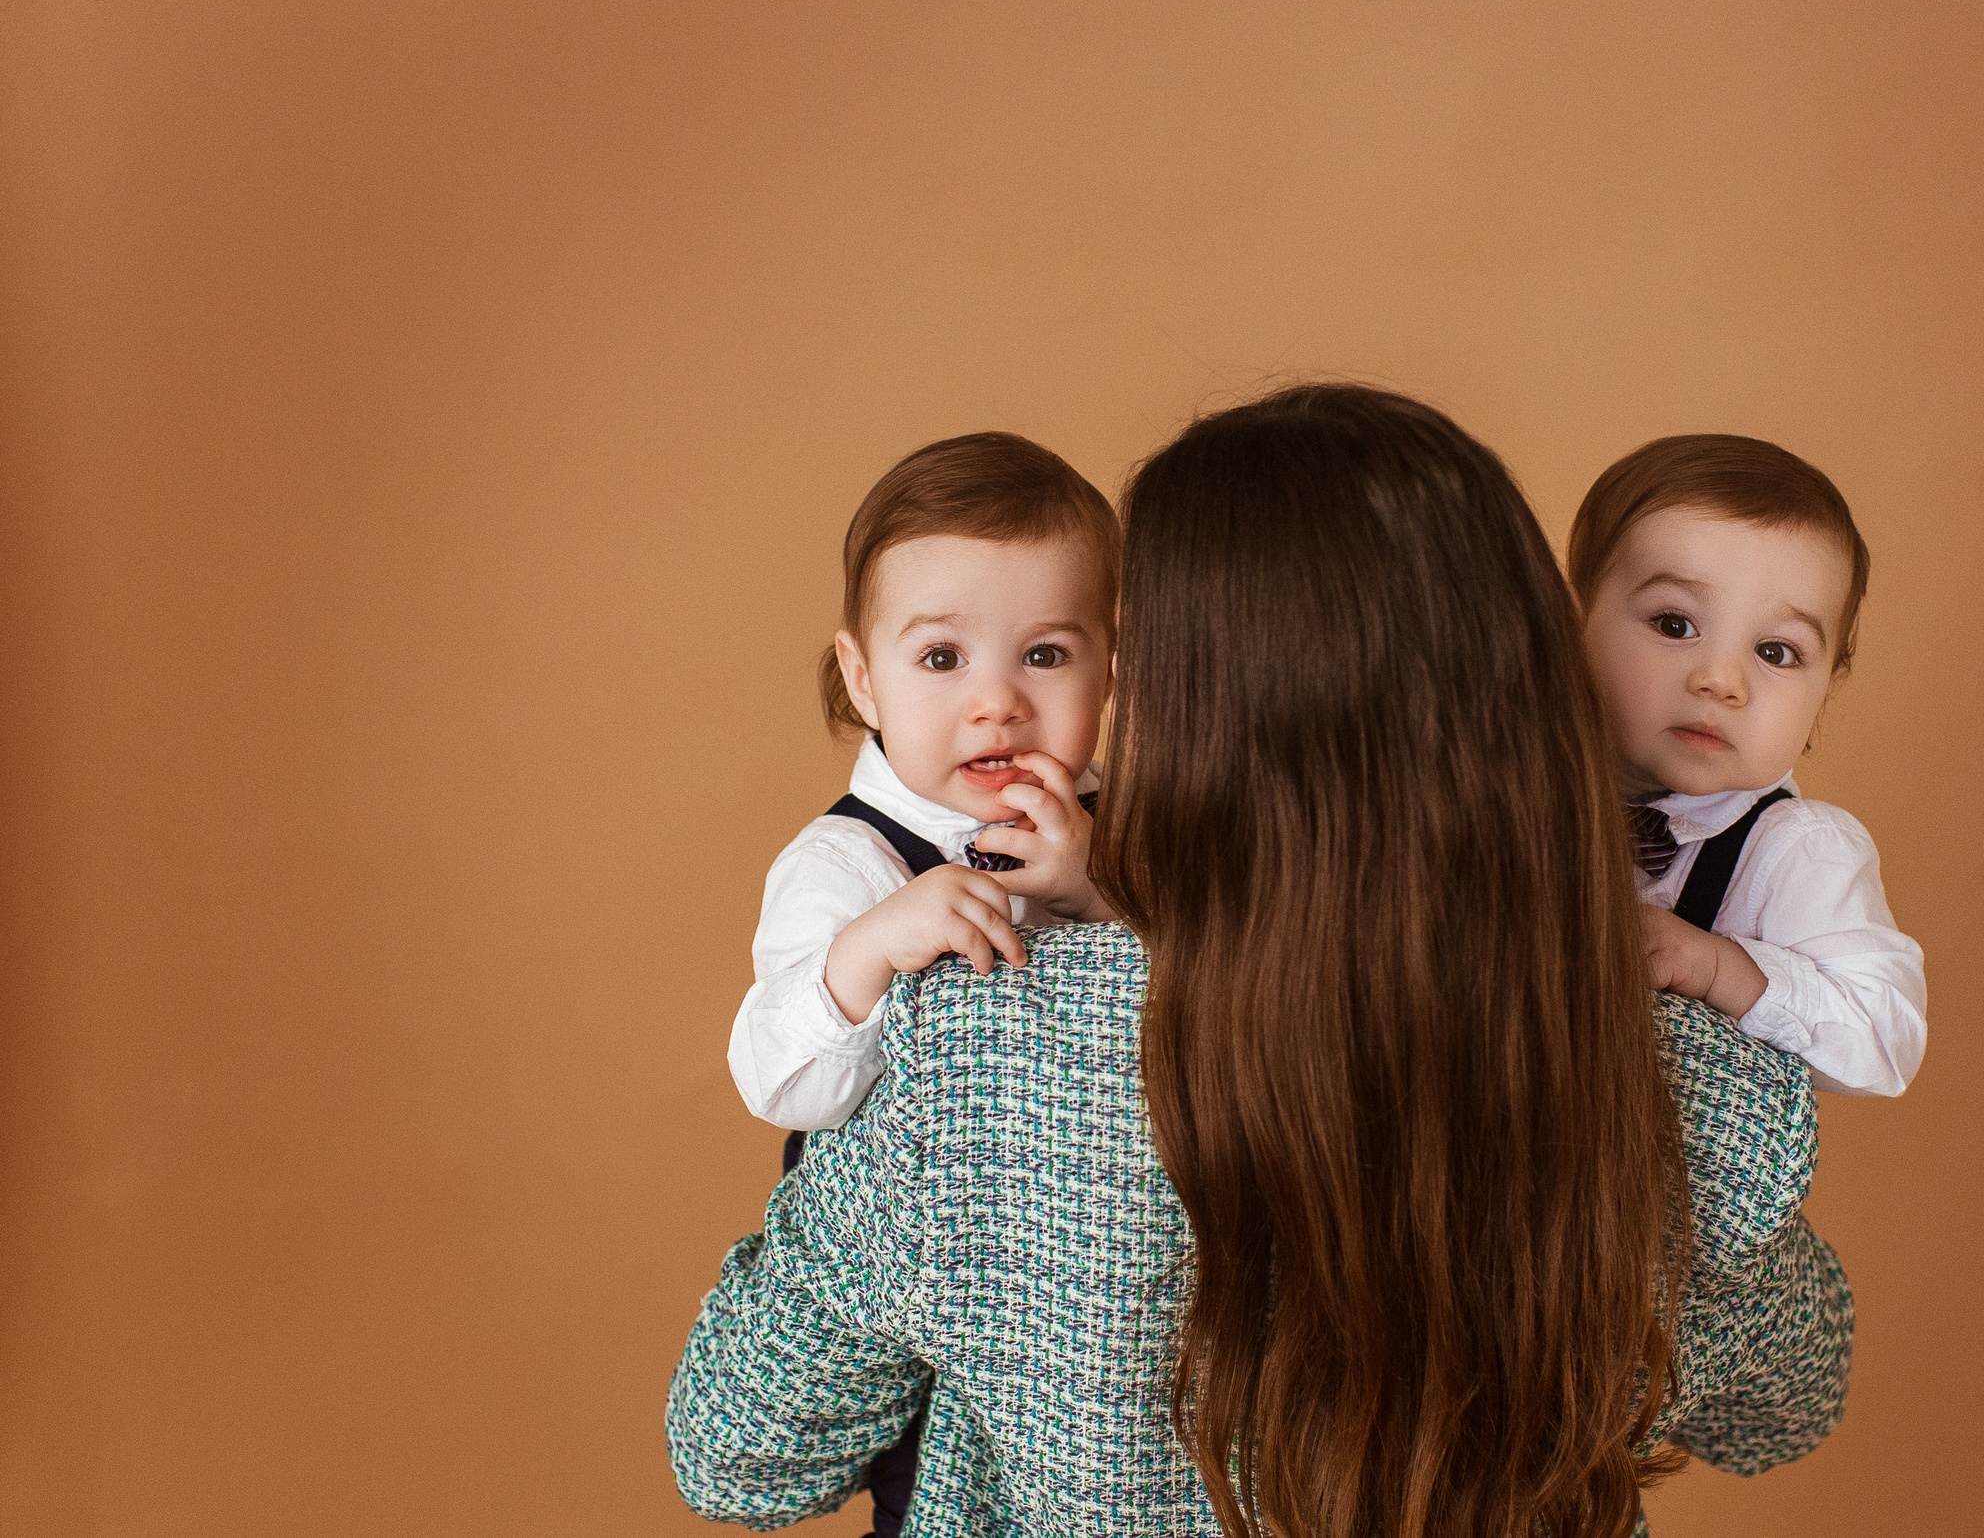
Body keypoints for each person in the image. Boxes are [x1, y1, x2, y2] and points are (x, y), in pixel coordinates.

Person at [669, 385, 1853, 1537]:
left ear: (1173, 702)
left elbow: (737, 1455)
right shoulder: (1682, 1077)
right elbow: (1784, 1410)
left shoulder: (979, 1059)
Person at [726, 430, 1122, 1535]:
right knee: (944, 1499)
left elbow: (1183, 998)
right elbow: (779, 1080)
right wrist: (871, 948)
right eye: (942, 659)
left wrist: (1096, 891)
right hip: (917, 1296)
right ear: (863, 677)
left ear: (1110, 666)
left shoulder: (1123, 828)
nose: (996, 703)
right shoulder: (846, 864)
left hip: (1084, 1290)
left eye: (1045, 655)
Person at [1572, 436, 1928, 1097]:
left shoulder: (1796, 851)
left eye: (1775, 651)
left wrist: (1720, 969)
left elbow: (1887, 1038)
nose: (1722, 681)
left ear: (1828, 686)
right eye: (1674, 624)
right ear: (1572, 622)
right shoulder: (1511, 782)